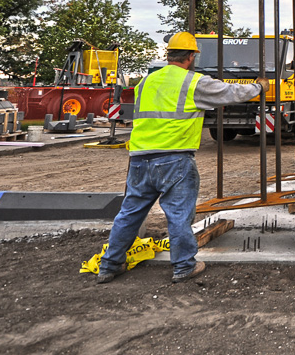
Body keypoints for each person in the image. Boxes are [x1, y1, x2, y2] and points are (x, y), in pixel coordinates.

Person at [96, 32, 269, 285]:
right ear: (190, 56)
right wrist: (259, 87)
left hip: (139, 158)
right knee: (178, 216)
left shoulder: (147, 81)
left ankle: (109, 265)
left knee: (129, 214)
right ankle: (184, 266)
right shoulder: (193, 82)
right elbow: (230, 93)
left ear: (169, 55)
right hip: (174, 159)